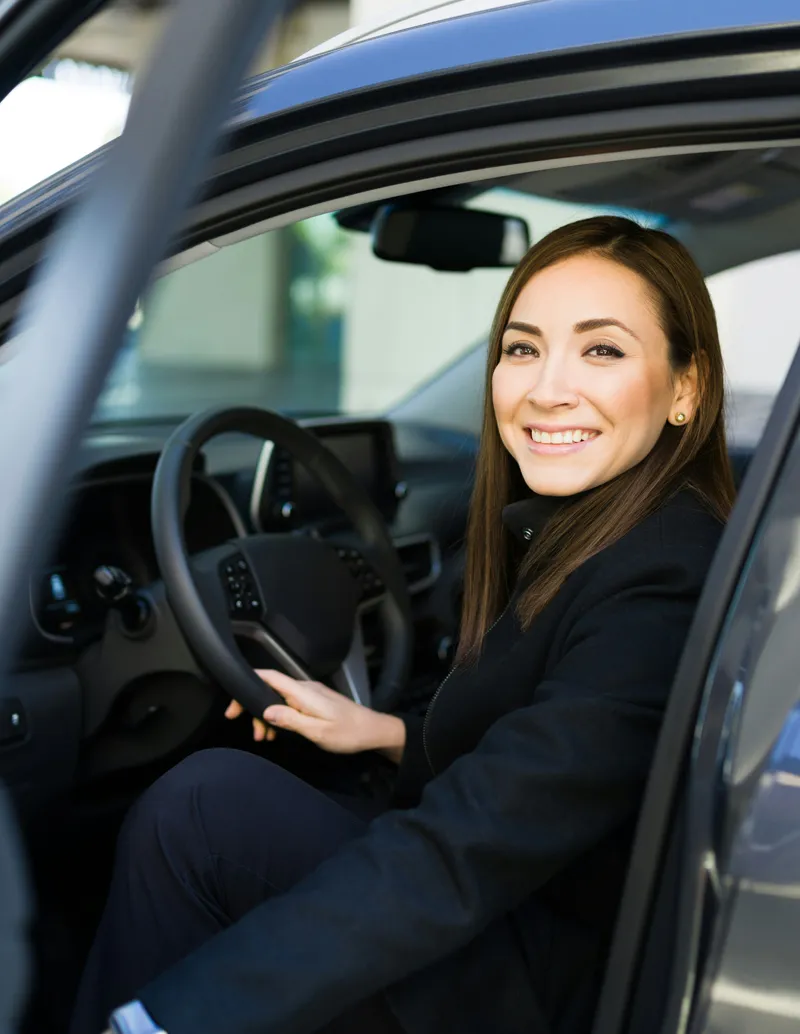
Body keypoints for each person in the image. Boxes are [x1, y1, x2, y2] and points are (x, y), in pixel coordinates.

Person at [71, 215, 734, 1034]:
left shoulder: (663, 573)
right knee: (204, 801)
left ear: (686, 389)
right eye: (522, 348)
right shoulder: (610, 524)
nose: (545, 387)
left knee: (199, 816)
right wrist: (385, 732)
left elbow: (475, 840)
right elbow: (556, 750)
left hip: (551, 982)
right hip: (540, 915)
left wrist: (165, 1019)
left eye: (602, 350)